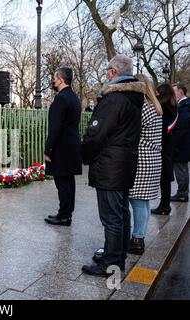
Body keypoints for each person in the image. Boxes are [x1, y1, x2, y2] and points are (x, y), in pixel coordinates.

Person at [81, 54, 144, 276]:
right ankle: (117, 256)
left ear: (114, 72)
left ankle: (110, 263)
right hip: (124, 163)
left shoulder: (115, 98)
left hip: (111, 165)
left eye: (107, 69)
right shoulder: (133, 97)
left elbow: (96, 133)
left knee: (111, 217)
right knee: (121, 213)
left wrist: (84, 154)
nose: (106, 74)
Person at [127, 75, 163, 255]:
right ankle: (139, 236)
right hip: (153, 158)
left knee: (138, 202)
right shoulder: (155, 107)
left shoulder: (143, 108)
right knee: (144, 202)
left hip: (142, 159)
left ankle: (137, 239)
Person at [44, 67, 82, 226]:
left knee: (62, 182)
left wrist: (48, 149)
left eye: (54, 78)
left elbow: (55, 126)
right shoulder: (73, 97)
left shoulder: (61, 98)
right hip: (72, 145)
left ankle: (63, 215)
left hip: (61, 147)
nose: (53, 81)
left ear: (60, 79)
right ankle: (67, 213)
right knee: (68, 181)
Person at [151, 84, 178, 215]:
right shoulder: (173, 106)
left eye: (157, 92)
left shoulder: (163, 107)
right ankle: (165, 204)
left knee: (164, 178)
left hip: (163, 144)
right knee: (165, 177)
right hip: (169, 144)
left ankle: (164, 206)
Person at [170, 83, 190, 202]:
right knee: (182, 169)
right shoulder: (184, 105)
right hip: (183, 144)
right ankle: (182, 192)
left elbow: (181, 129)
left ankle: (182, 193)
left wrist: (176, 146)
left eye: (174, 92)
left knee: (181, 169)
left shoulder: (185, 106)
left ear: (180, 92)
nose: (173, 95)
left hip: (182, 145)